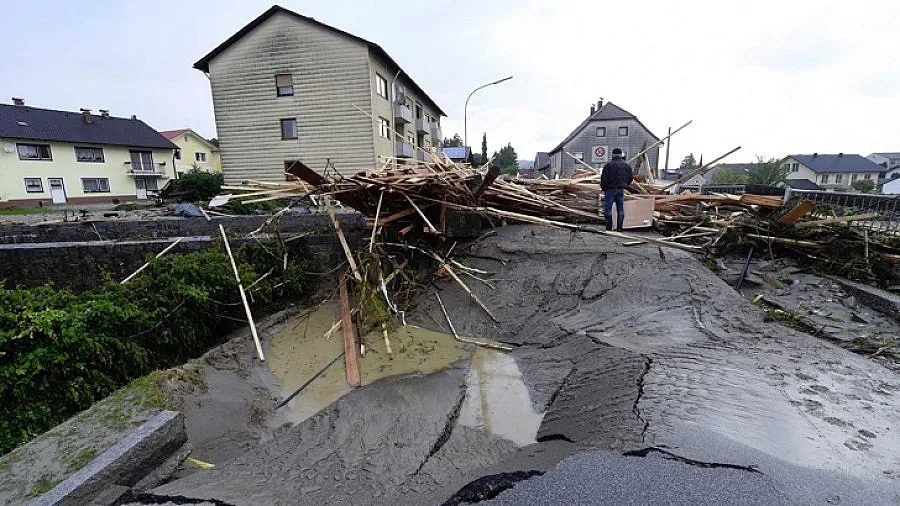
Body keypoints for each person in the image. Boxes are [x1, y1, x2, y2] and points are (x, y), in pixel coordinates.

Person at [600, 148, 633, 231]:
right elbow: (630, 178)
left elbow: (604, 178)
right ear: (621, 155)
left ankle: (608, 228)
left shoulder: (608, 165)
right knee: (620, 208)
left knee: (608, 208)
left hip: (610, 189)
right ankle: (619, 228)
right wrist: (625, 185)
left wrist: (603, 188)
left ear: (613, 154)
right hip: (621, 189)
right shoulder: (626, 165)